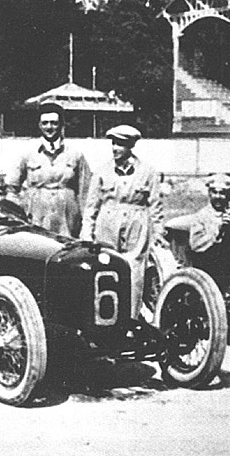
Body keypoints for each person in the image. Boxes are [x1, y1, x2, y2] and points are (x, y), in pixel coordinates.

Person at [80, 125, 168, 318]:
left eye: (120, 144)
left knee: (135, 272)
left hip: (136, 225)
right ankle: (107, 319)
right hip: (107, 224)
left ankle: (131, 321)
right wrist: (87, 232)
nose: (115, 148)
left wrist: (159, 233)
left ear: (130, 146)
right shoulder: (102, 171)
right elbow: (91, 206)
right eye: (113, 143)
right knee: (106, 268)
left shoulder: (148, 172)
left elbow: (155, 206)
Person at [5, 102, 91, 238]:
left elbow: (86, 193)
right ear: (39, 125)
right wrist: (19, 216)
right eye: (45, 123)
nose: (49, 127)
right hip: (36, 220)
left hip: (67, 222)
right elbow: (11, 188)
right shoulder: (27, 153)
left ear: (61, 125)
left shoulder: (76, 155)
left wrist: (86, 226)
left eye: (54, 123)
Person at [189, 174, 230, 253]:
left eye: (222, 193)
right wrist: (218, 232)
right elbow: (196, 246)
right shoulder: (201, 216)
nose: (217, 197)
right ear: (209, 194)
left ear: (229, 195)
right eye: (214, 192)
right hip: (209, 262)